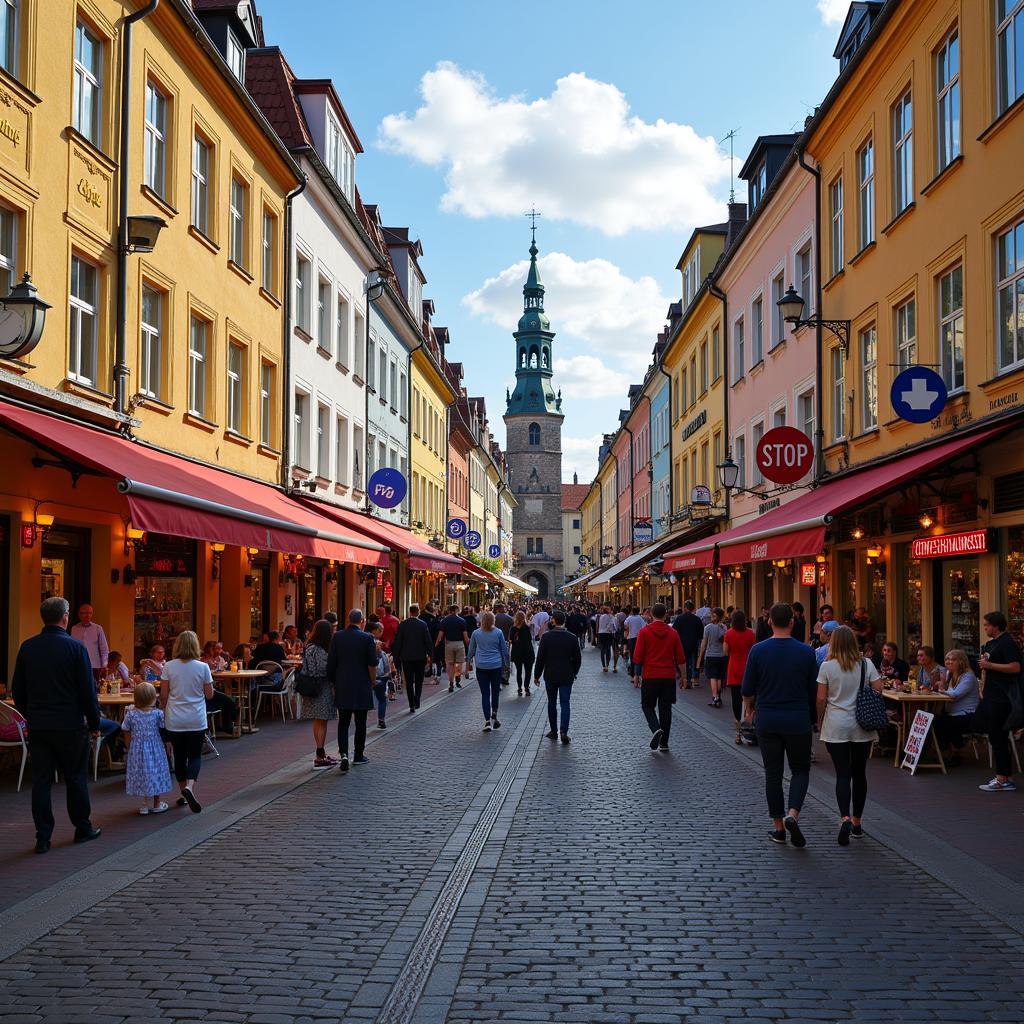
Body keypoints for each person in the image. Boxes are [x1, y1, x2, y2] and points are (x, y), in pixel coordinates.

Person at [12, 597, 102, 854]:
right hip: (70, 724)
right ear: (65, 617)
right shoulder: (75, 649)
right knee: (75, 778)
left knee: (41, 780)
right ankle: (82, 827)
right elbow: (88, 692)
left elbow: (18, 688)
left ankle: (43, 836)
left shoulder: (28, 648)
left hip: (39, 725)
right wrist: (94, 722)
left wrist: (31, 713)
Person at [741, 603, 817, 848]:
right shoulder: (806, 652)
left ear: (770, 622)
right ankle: (792, 814)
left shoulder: (758, 650)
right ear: (793, 622)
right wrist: (814, 718)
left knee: (773, 774)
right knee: (801, 770)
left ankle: (778, 827)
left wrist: (749, 710)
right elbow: (813, 690)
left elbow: (748, 688)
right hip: (797, 719)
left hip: (769, 720)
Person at [816, 625, 882, 845]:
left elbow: (821, 699)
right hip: (861, 725)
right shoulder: (866, 663)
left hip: (836, 724)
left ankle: (844, 816)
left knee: (842, 774)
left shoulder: (827, 666)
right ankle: (857, 822)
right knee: (859, 773)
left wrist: (820, 718)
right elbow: (879, 689)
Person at [977, 611, 1022, 792]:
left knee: (998, 736)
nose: (985, 628)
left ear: (996, 625)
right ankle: (1006, 776)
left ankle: (1002, 778)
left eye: (987, 625)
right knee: (995, 736)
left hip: (1002, 697)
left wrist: (990, 666)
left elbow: (1015, 667)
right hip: (990, 694)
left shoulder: (1007, 643)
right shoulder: (990, 644)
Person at [328, 609, 377, 771]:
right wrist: (373, 680)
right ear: (362, 621)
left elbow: (332, 663)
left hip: (343, 684)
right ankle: (358, 755)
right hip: (362, 684)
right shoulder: (367, 638)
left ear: (348, 620)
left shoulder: (338, 636)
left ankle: (343, 754)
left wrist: (333, 682)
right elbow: (372, 663)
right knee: (360, 722)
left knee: (343, 722)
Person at [632, 604, 683, 752]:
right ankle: (664, 742)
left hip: (650, 675)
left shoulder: (644, 632)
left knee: (647, 706)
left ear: (651, 615)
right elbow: (680, 657)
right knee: (666, 708)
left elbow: (638, 656)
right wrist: (684, 676)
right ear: (665, 615)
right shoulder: (673, 633)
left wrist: (636, 674)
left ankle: (656, 729)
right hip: (668, 676)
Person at [122, 681, 173, 815]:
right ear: (153, 698)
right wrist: (168, 744)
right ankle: (156, 803)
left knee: (142, 774)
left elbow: (125, 729)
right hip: (155, 748)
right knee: (155, 773)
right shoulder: (158, 714)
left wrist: (128, 746)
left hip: (137, 749)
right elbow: (164, 729)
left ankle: (144, 804)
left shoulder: (131, 714)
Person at [534, 609, 582, 743]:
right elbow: (578, 659)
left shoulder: (546, 637)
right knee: (565, 703)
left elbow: (540, 659)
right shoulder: (572, 637)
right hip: (567, 675)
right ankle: (564, 731)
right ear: (564, 621)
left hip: (550, 675)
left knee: (551, 703)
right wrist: (574, 672)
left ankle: (553, 731)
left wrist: (536, 675)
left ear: (553, 621)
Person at [298, 619, 337, 769]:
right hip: (322, 687)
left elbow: (305, 667)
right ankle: (319, 754)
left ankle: (320, 752)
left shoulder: (309, 647)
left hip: (311, 686)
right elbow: (323, 669)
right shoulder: (321, 649)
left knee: (318, 720)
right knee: (322, 719)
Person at [468, 611, 510, 732]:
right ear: (493, 620)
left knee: (485, 694)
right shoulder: (498, 632)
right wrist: (506, 664)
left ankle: (487, 721)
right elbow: (504, 650)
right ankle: (495, 713)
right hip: (496, 665)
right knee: (495, 691)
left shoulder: (476, 633)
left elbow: (471, 650)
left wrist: (467, 664)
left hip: (481, 666)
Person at [936, 649, 980, 763]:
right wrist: (942, 684)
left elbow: (956, 694)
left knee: (941, 722)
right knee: (934, 718)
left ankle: (953, 753)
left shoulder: (968, 676)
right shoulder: (951, 675)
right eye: (947, 659)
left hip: (968, 715)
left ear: (961, 661)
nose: (949, 662)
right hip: (954, 713)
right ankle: (945, 751)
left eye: (953, 659)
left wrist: (941, 690)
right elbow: (948, 691)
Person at [723, 610, 756, 744]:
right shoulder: (750, 633)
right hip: (748, 668)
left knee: (736, 698)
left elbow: (725, 652)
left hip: (734, 668)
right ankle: (750, 722)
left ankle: (738, 731)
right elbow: (754, 649)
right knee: (750, 698)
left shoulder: (729, 633)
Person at [392, 604, 433, 712]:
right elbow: (428, 641)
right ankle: (417, 700)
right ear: (418, 612)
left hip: (406, 658)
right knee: (419, 680)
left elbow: (398, 642)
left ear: (410, 612)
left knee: (409, 681)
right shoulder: (423, 625)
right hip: (420, 657)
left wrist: (396, 657)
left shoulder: (403, 625)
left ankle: (411, 704)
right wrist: (430, 655)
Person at [70, 603, 109, 682]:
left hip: (94, 667)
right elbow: (72, 649)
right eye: (84, 613)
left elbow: (104, 649)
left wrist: (104, 665)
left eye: (89, 613)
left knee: (94, 690)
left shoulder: (98, 628)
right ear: (79, 614)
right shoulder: (74, 629)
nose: (87, 615)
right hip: (78, 666)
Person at [697, 608, 727, 708]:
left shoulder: (708, 628)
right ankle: (718, 696)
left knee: (713, 677)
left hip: (710, 655)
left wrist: (700, 656)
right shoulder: (724, 628)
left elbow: (704, 643)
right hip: (721, 655)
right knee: (719, 677)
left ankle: (714, 697)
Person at [437, 606, 470, 693]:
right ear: (457, 611)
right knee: (459, 663)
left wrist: (436, 644)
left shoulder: (444, 621)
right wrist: (468, 645)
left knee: (450, 664)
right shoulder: (462, 621)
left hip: (448, 644)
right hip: (459, 644)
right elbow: (465, 636)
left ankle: (451, 682)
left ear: (449, 611)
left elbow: (440, 636)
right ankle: (457, 676)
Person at [672, 601, 704, 689]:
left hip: (683, 643)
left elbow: (674, 631)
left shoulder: (679, 618)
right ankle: (696, 677)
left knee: (685, 661)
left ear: (685, 608)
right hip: (694, 642)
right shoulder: (697, 619)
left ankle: (687, 678)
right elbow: (701, 633)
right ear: (693, 609)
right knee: (694, 660)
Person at [368, 622, 393, 730]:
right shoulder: (377, 645)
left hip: (370, 675)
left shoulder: (366, 641)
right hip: (380, 675)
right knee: (382, 699)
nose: (381, 633)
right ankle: (381, 720)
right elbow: (380, 661)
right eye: (380, 631)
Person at [509, 611, 536, 695]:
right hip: (527, 651)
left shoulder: (513, 628)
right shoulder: (527, 628)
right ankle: (527, 688)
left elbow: (510, 640)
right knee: (528, 671)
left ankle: (519, 688)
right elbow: (531, 639)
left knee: (519, 671)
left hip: (517, 652)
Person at [623, 606, 646, 676]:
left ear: (632, 611)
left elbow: (625, 625)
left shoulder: (629, 618)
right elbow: (644, 627)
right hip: (639, 638)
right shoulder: (640, 618)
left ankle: (632, 673)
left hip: (631, 638)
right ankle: (638, 673)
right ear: (638, 611)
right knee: (639, 655)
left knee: (632, 656)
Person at [597, 606, 617, 672]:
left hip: (601, 634)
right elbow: (612, 625)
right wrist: (612, 630)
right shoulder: (610, 616)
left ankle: (603, 665)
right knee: (608, 649)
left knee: (602, 650)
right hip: (608, 634)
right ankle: (607, 665)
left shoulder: (601, 617)